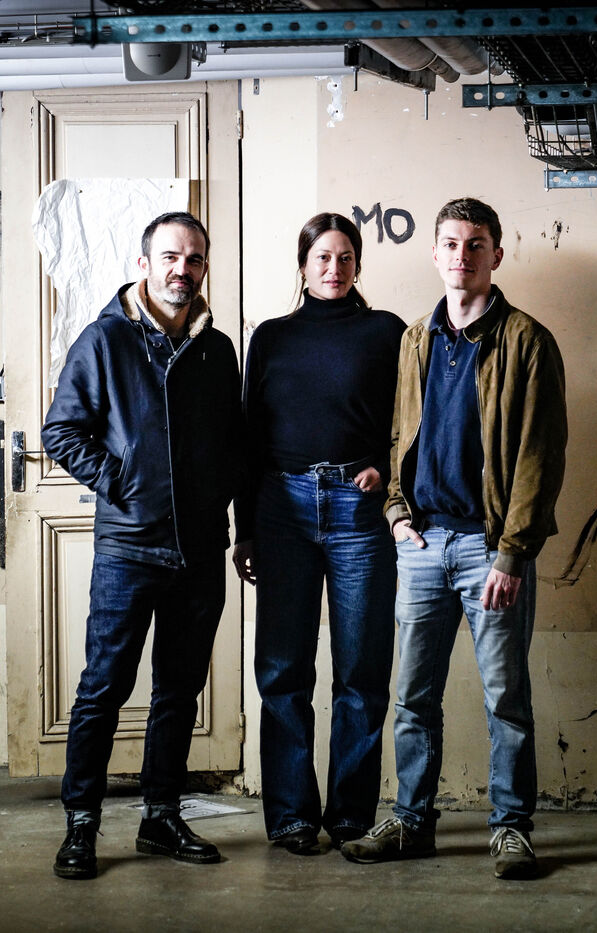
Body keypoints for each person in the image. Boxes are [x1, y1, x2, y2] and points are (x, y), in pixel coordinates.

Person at [340, 198, 567, 880]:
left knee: (506, 699)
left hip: (489, 549)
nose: (461, 255)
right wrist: (397, 513)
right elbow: (399, 434)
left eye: (475, 244)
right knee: (413, 698)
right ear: (434, 253)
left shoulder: (527, 341)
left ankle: (511, 829)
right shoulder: (416, 339)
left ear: (497, 253)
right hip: (422, 547)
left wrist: (514, 554)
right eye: (450, 243)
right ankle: (411, 822)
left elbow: (539, 457)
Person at [43, 211, 243, 881]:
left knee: (178, 691)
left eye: (194, 258)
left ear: (204, 267)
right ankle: (81, 824)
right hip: (129, 549)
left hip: (200, 552)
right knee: (103, 688)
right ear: (144, 264)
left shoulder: (217, 350)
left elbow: (234, 447)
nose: (182, 269)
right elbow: (61, 430)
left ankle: (160, 817)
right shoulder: (105, 339)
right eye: (170, 257)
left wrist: (236, 526)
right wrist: (120, 480)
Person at [232, 213, 406, 855]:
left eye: (345, 257)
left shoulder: (388, 332)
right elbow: (249, 438)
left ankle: (352, 817)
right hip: (282, 509)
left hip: (360, 512)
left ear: (358, 264)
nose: (334, 269)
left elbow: (411, 419)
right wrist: (245, 529)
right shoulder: (271, 337)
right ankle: (291, 817)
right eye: (322, 258)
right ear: (303, 265)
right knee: (283, 671)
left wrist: (385, 470)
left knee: (361, 670)